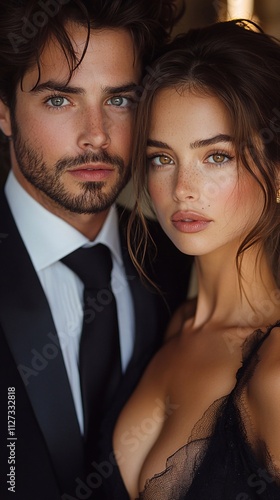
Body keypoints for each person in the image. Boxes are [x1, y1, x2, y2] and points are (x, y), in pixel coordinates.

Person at [0, 1, 193, 499]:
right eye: (60, 100)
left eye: (120, 100)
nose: (97, 135)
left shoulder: (175, 259)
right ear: (4, 111)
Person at [113, 19, 280, 499]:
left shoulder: (272, 370)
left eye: (216, 157)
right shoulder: (173, 323)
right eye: (162, 158)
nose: (182, 189)